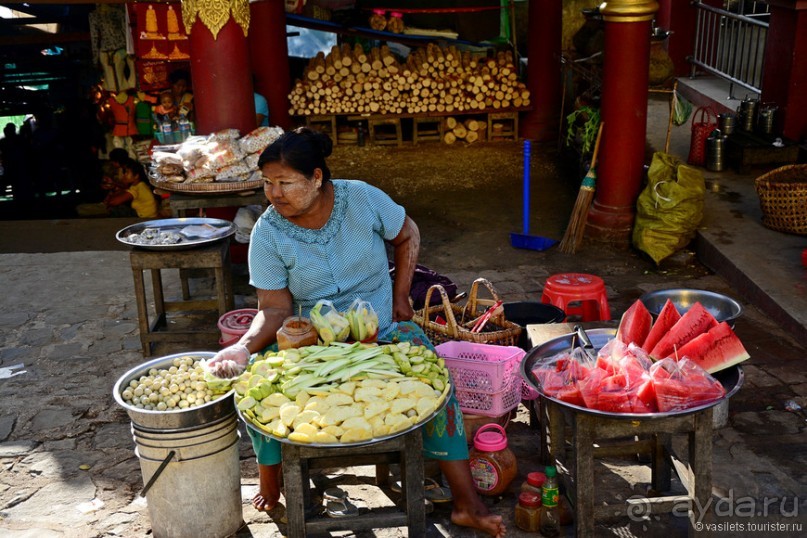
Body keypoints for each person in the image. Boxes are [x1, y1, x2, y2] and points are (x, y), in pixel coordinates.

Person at [208, 127, 505, 538]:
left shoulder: (361, 198)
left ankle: (467, 503)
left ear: (316, 177)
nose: (274, 194)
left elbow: (408, 234)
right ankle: (270, 479)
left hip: (380, 326)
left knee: (438, 381)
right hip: (313, 340)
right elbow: (274, 309)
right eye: (267, 183)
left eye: (285, 183)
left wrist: (401, 296)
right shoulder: (268, 233)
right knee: (262, 388)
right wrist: (242, 348)